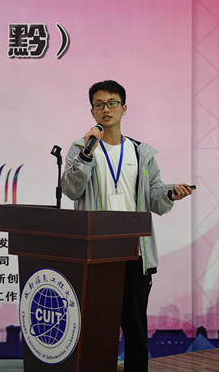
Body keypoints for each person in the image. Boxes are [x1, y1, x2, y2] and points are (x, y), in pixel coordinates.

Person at [61, 80, 193, 371]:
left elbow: (154, 195)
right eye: (99, 104)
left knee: (135, 329)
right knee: (95, 328)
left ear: (124, 108)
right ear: (92, 112)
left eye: (112, 103)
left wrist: (170, 193)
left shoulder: (140, 153)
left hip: (135, 252)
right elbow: (71, 189)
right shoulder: (81, 148)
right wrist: (85, 155)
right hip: (96, 252)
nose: (106, 109)